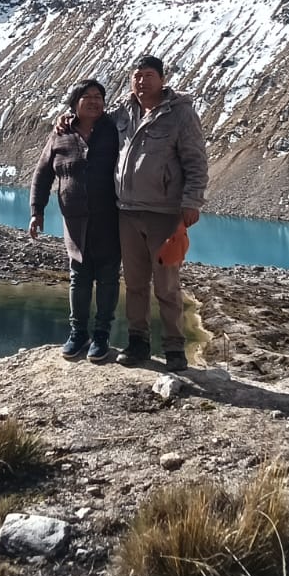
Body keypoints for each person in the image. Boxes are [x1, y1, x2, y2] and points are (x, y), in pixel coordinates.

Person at [108, 55, 209, 372]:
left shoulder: (180, 114)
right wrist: (66, 121)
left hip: (164, 214)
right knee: (135, 283)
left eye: (149, 75)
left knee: (167, 285)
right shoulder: (123, 112)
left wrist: (192, 201)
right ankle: (138, 342)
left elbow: (196, 161)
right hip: (127, 212)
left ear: (163, 79)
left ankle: (175, 348)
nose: (142, 82)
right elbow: (92, 129)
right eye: (136, 76)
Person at [29, 78, 121, 362]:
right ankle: (78, 333)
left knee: (107, 277)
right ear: (74, 102)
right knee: (79, 277)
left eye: (99, 96)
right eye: (87, 96)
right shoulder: (60, 134)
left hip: (110, 219)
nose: (94, 101)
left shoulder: (114, 128)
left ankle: (102, 335)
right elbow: (42, 174)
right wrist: (37, 210)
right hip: (75, 220)